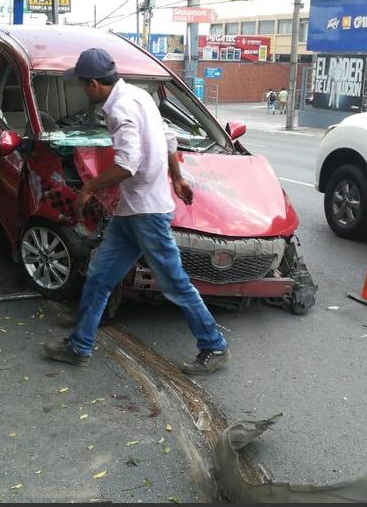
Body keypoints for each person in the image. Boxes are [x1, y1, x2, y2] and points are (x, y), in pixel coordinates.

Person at [42, 48, 229, 375]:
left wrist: (88, 188)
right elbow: (169, 139)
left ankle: (214, 345)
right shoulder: (139, 96)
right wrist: (177, 177)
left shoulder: (119, 109)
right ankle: (79, 346)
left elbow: (127, 164)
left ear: (96, 84)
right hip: (131, 211)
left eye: (83, 85)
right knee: (100, 277)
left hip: (147, 212)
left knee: (174, 283)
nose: (83, 91)